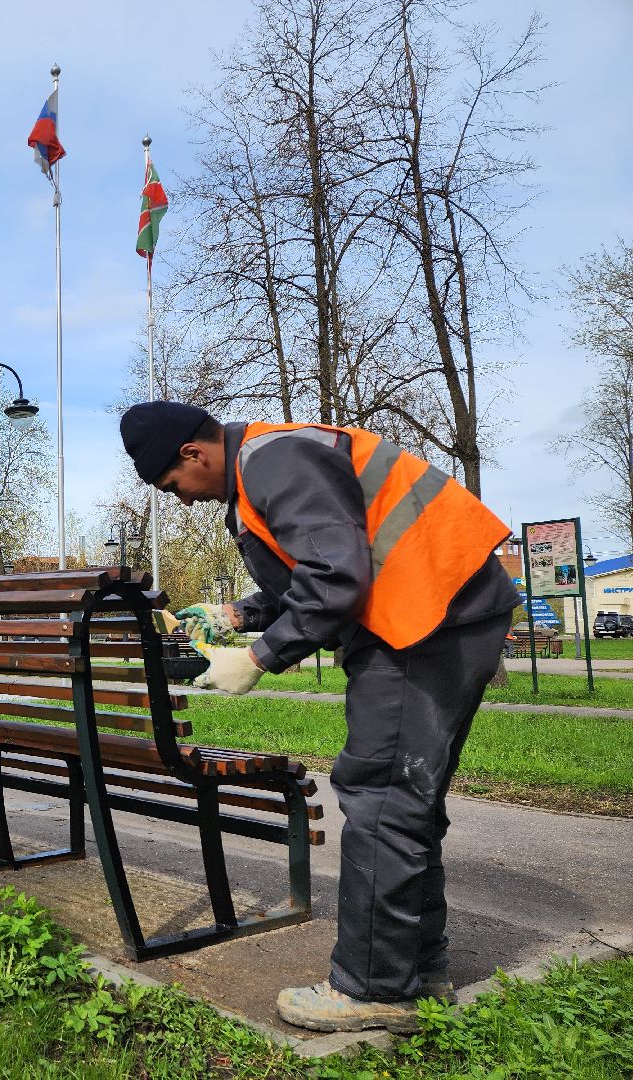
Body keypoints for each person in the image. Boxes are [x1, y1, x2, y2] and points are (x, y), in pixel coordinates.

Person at [120, 401, 518, 1034]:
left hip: (423, 617)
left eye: (174, 485)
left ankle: (374, 988)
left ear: (194, 453)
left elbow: (335, 576)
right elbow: (319, 563)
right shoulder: (267, 462)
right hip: (441, 608)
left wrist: (258, 657)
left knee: (381, 798)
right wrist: (238, 615)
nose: (184, 500)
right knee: (405, 802)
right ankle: (419, 969)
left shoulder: (271, 462)